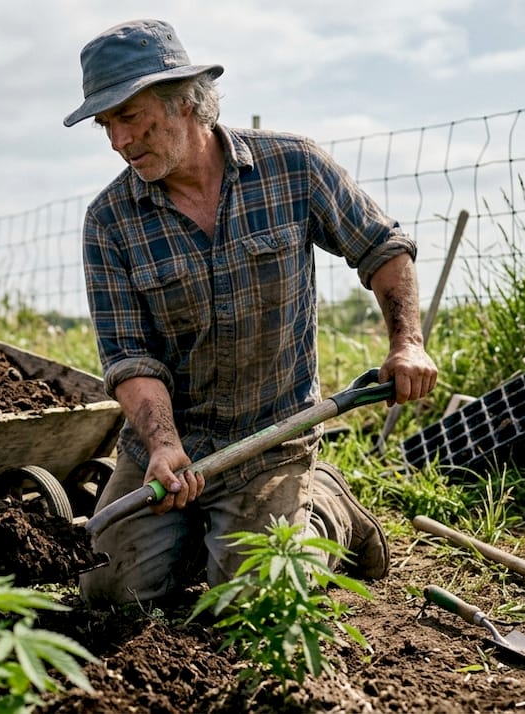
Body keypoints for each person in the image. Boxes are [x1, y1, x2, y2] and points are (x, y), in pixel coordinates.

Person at [64, 19, 438, 606]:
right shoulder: (110, 221)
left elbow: (383, 250)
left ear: (184, 101)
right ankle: (201, 530)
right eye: (105, 124)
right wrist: (162, 443)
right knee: (109, 591)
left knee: (257, 597)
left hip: (270, 438)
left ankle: (326, 507)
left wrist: (406, 342)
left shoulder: (293, 167)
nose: (117, 140)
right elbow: (129, 357)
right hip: (169, 448)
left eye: (129, 116)